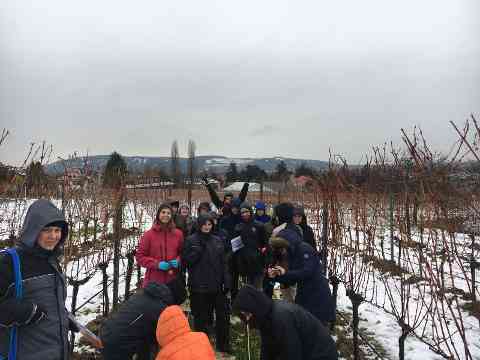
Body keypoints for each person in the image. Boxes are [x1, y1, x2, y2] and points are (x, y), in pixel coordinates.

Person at [0, 199, 72, 360]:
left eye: (57, 230)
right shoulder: (10, 262)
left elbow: (51, 301)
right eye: (46, 230)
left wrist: (64, 318)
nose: (53, 236)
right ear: (33, 230)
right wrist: (17, 311)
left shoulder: (52, 261)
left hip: (57, 352)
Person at [233, 285, 338, 360]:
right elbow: (268, 347)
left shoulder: (281, 319)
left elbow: (292, 354)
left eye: (247, 313)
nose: (246, 319)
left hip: (321, 354)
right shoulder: (266, 316)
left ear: (255, 306)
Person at [100, 278, 187, 360]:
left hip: (106, 332)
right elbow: (158, 338)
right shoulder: (162, 309)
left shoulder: (143, 294)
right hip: (119, 343)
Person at [182, 214, 231, 354]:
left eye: (209, 224)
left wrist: (226, 281)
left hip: (217, 285)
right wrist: (197, 252)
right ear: (199, 225)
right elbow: (185, 263)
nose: (207, 227)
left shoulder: (217, 240)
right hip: (199, 286)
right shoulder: (191, 240)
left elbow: (224, 263)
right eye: (204, 224)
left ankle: (223, 345)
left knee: (223, 316)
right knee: (200, 318)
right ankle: (201, 347)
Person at [267, 234, 335, 325]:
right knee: (304, 323)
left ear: (286, 246)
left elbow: (307, 272)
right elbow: (292, 278)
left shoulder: (304, 249)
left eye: (281, 250)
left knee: (318, 326)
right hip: (304, 292)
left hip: (317, 292)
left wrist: (285, 273)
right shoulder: (292, 253)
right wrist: (276, 276)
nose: (282, 253)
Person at [136, 203, 184, 287]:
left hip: (173, 279)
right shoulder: (148, 235)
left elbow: (182, 252)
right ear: (158, 214)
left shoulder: (178, 234)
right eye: (163, 212)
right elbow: (140, 257)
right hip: (154, 282)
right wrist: (156, 264)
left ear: (172, 216)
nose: (166, 215)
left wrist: (178, 260)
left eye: (168, 213)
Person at [232, 202, 268, 292]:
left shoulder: (259, 226)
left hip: (258, 263)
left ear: (251, 212)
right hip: (244, 264)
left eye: (246, 211)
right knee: (247, 291)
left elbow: (265, 244)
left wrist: (263, 256)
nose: (245, 214)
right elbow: (235, 248)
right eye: (242, 212)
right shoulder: (238, 227)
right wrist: (239, 262)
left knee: (257, 290)